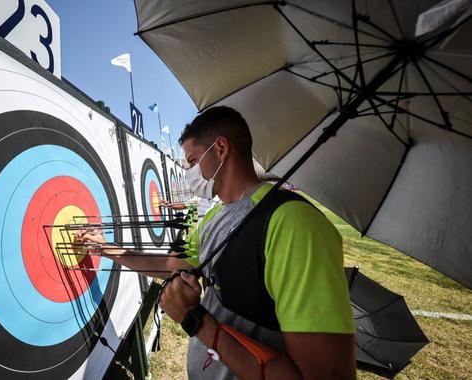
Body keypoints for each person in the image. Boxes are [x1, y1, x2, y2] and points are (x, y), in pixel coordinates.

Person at [75, 106, 355, 379]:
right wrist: (105, 247)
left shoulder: (295, 223)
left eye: (193, 161)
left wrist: (195, 320)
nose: (189, 172)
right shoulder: (213, 219)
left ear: (220, 150)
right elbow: (168, 265)